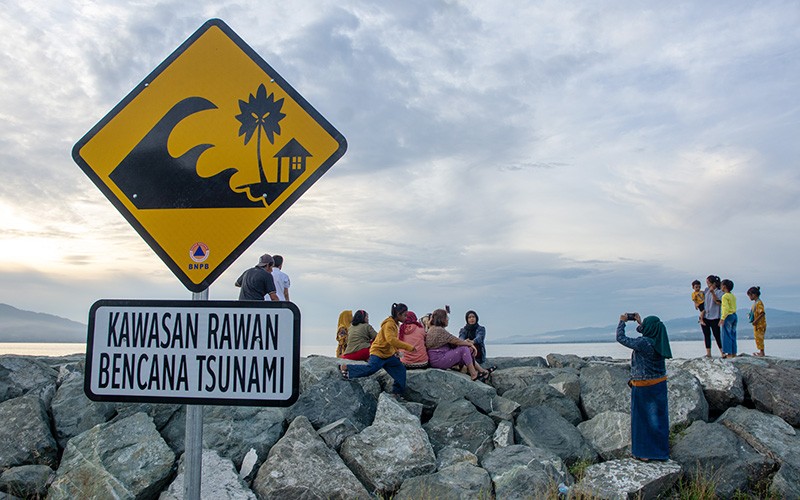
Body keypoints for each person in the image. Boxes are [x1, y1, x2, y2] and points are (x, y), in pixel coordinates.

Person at [616, 312, 671, 462]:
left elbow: (621, 338)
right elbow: (648, 330)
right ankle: (660, 452)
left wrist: (622, 322)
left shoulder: (643, 343)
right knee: (658, 421)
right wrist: (640, 323)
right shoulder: (659, 341)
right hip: (659, 384)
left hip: (643, 387)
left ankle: (644, 453)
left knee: (642, 421)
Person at [340, 303, 416, 396]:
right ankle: (348, 369)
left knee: (400, 370)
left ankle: (397, 392)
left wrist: (395, 351)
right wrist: (409, 347)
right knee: (371, 368)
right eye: (404, 315)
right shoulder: (389, 324)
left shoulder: (395, 324)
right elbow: (391, 339)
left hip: (388, 354)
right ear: (398, 315)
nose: (406, 317)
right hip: (378, 352)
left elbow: (390, 341)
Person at [425, 308, 494, 382]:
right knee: (464, 349)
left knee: (467, 349)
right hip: (438, 359)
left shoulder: (435, 328)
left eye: (473, 317)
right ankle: (474, 374)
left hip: (440, 357)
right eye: (446, 318)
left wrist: (467, 343)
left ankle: (481, 371)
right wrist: (470, 344)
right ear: (442, 319)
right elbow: (456, 340)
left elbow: (456, 340)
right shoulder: (438, 330)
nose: (448, 319)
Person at [700, 275, 724, 357]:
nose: (707, 285)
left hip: (715, 317)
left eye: (709, 283)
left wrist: (713, 292)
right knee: (706, 335)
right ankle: (708, 353)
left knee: (717, 335)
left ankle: (722, 352)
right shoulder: (706, 290)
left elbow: (718, 302)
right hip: (706, 316)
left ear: (714, 283)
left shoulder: (720, 292)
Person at [719, 279, 738, 358]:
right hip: (734, 315)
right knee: (733, 334)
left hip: (728, 316)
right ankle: (734, 353)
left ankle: (729, 354)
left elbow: (725, 308)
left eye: (721, 285)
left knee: (726, 334)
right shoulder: (732, 295)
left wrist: (722, 318)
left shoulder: (725, 296)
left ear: (724, 286)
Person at [747, 286, 767, 357]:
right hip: (757, 324)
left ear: (754, 294)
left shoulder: (759, 303)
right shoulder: (756, 303)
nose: (749, 297)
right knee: (757, 338)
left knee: (759, 337)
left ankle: (762, 352)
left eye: (750, 295)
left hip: (760, 324)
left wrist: (756, 320)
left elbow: (762, 313)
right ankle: (761, 351)